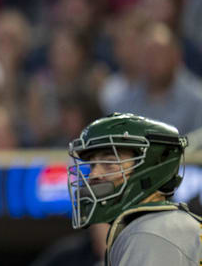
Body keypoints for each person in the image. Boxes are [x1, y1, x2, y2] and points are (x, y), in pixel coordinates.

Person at [67, 113, 202, 265]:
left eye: (109, 162)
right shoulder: (157, 225)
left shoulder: (148, 234)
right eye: (92, 165)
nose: (93, 174)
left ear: (153, 165)